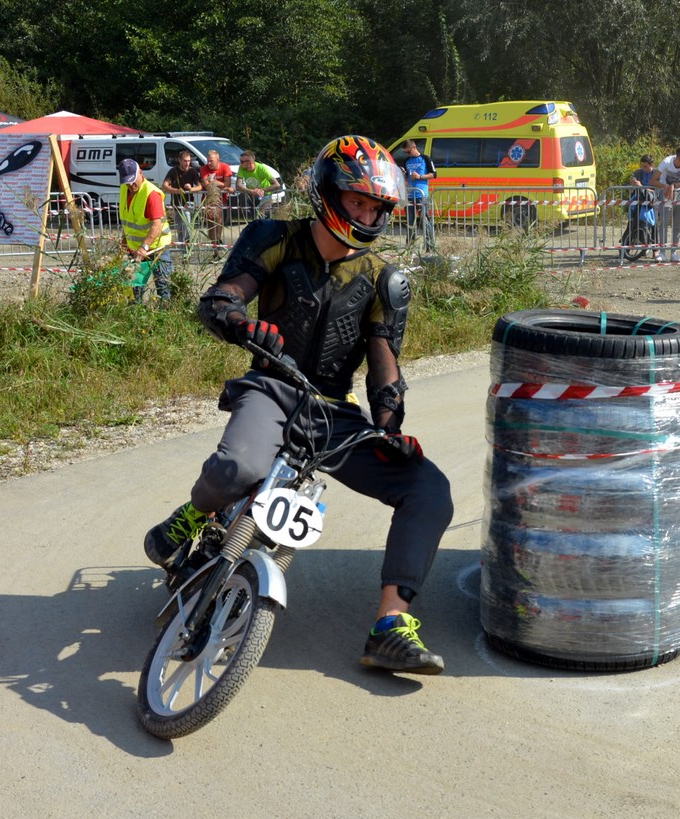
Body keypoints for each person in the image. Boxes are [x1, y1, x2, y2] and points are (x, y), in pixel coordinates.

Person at [144, 135, 454, 675]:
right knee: (238, 469)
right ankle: (195, 514)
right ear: (328, 193)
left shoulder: (385, 279)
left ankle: (390, 624)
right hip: (271, 386)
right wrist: (239, 321)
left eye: (376, 208)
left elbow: (385, 363)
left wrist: (389, 426)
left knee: (429, 490)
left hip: (333, 411)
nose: (366, 215)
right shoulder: (275, 238)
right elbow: (223, 296)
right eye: (357, 201)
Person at [117, 158, 172, 301]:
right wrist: (124, 241)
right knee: (134, 288)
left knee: (163, 286)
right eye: (127, 182)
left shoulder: (151, 194)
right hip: (135, 249)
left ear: (140, 173)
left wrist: (144, 247)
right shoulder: (124, 190)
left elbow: (156, 225)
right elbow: (129, 220)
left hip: (157, 248)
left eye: (132, 180)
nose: (130, 185)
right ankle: (135, 311)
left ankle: (166, 310)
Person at [651, 145, 680, 261]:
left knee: (678, 223)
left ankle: (674, 252)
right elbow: (653, 180)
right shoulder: (666, 162)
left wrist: (674, 185)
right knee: (664, 223)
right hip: (664, 193)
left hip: (679, 192)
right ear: (679, 159)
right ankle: (662, 252)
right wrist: (666, 187)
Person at [400, 139, 437, 251]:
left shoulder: (425, 158)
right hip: (409, 196)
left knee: (425, 221)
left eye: (408, 151)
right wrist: (403, 174)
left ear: (414, 147)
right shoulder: (407, 160)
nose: (407, 154)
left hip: (422, 195)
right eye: (405, 152)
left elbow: (434, 174)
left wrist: (420, 177)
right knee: (410, 222)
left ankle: (429, 247)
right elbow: (406, 178)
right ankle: (410, 248)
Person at [161, 150, 203, 245]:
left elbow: (200, 186)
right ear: (179, 160)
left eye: (189, 161)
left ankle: (187, 245)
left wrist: (191, 189)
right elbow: (164, 185)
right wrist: (176, 191)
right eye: (185, 161)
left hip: (188, 202)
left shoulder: (192, 171)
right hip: (176, 203)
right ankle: (182, 247)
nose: (187, 163)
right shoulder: (173, 171)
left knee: (186, 225)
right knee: (179, 228)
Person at [199, 149, 235, 252]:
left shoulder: (225, 167)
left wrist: (216, 182)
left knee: (219, 222)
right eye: (208, 161)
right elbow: (207, 185)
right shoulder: (204, 169)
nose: (209, 163)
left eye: (211, 161)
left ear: (218, 160)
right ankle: (214, 244)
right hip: (209, 200)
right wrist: (223, 186)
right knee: (211, 224)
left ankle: (217, 243)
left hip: (221, 200)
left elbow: (228, 184)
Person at [234, 150, 282, 219]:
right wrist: (251, 191)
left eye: (242, 162)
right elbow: (238, 186)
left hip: (265, 195)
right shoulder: (241, 168)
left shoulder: (261, 168)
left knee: (260, 215)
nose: (240, 163)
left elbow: (276, 184)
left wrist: (261, 190)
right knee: (242, 196)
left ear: (248, 162)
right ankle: (250, 217)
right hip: (252, 195)